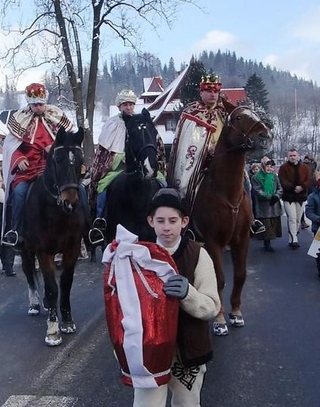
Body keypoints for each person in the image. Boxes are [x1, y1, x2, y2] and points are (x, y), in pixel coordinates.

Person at [132, 188, 220, 407]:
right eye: (160, 220)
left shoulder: (198, 255)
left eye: (173, 220)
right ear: (151, 221)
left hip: (186, 353)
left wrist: (188, 294)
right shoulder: (139, 257)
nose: (167, 227)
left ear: (184, 221)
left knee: (186, 404)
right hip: (149, 353)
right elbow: (125, 309)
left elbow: (212, 307)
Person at [1, 82, 102, 247]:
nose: (38, 107)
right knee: (19, 192)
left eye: (41, 103)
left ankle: (88, 229)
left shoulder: (56, 116)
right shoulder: (21, 120)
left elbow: (70, 143)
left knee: (80, 190)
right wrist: (19, 159)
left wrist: (55, 149)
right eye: (35, 104)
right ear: (30, 104)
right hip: (29, 170)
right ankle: (16, 231)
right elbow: (11, 148)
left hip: (56, 170)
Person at [168, 74, 264, 235]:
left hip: (225, 163)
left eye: (216, 91)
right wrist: (206, 151)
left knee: (245, 180)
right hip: (201, 161)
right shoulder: (192, 112)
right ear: (201, 92)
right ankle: (187, 222)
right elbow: (188, 143)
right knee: (185, 184)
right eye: (209, 90)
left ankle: (251, 219)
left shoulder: (225, 112)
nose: (213, 94)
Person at [89, 89, 167, 229]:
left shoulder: (142, 122)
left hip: (145, 166)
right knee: (103, 187)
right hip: (118, 170)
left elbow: (156, 146)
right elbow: (104, 154)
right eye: (125, 104)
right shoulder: (112, 125)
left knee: (163, 183)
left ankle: (168, 215)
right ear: (119, 106)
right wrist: (120, 158)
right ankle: (100, 219)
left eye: (131, 104)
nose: (128, 107)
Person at [277, 148, 311, 249]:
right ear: (288, 156)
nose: (292, 157)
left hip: (301, 197)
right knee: (292, 217)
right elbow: (282, 181)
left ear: (298, 156)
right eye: (291, 155)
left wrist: (302, 186)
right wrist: (293, 187)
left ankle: (293, 236)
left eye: (294, 155)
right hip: (289, 197)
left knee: (297, 219)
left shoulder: (305, 168)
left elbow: (309, 179)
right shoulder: (283, 168)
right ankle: (294, 239)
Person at [250, 157, 283, 252]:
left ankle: (269, 241)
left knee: (273, 224)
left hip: (274, 205)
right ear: (263, 167)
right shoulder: (256, 178)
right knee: (266, 225)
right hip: (263, 206)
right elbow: (257, 190)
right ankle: (267, 242)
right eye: (267, 166)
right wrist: (269, 197)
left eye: (270, 166)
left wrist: (276, 196)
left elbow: (280, 188)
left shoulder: (274, 177)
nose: (269, 168)